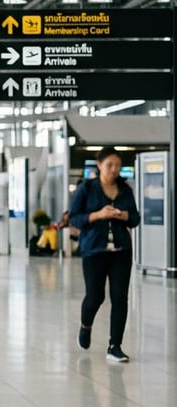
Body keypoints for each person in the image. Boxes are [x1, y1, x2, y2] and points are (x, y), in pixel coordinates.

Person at [69, 147, 139, 363]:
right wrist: (98, 215)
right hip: (94, 250)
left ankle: (114, 346)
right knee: (95, 296)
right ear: (99, 165)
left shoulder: (125, 190)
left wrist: (125, 216)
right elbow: (74, 218)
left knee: (120, 297)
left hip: (121, 251)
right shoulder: (87, 189)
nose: (114, 169)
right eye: (110, 165)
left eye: (117, 165)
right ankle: (85, 325)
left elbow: (135, 219)